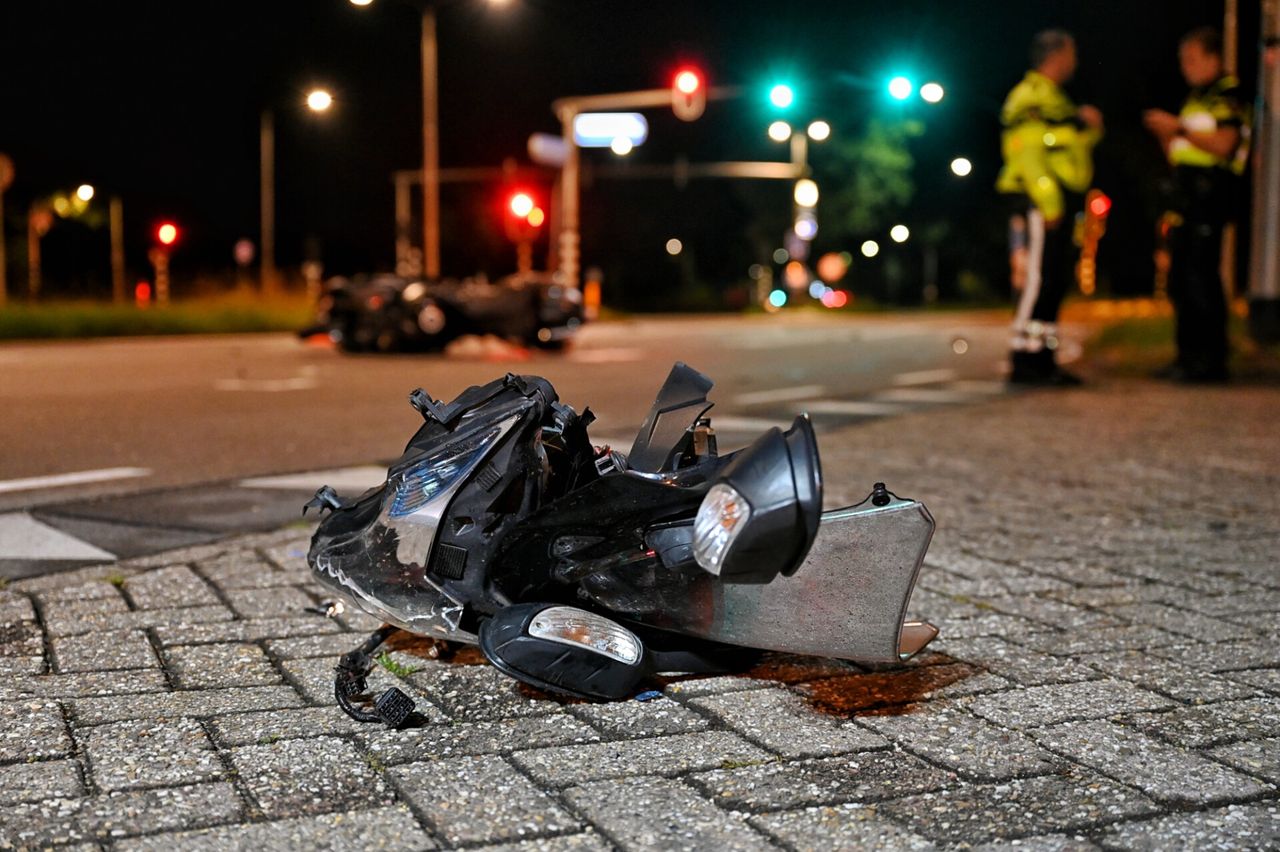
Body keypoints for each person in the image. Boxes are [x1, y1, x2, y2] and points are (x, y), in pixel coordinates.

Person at [997, 29, 1104, 385]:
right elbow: (1027, 153)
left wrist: (1089, 126)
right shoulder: (1030, 96)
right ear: (1056, 56)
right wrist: (1049, 202)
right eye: (1071, 54)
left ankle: (1042, 358)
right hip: (1042, 200)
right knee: (1038, 279)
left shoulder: (1057, 100)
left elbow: (1068, 144)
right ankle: (1023, 358)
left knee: (1054, 281)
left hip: (1058, 199)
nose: (1075, 62)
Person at [1143, 27, 1250, 383]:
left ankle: (1212, 360)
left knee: (1201, 276)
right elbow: (1180, 154)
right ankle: (1187, 357)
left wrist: (1179, 129)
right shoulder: (1196, 97)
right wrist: (1166, 137)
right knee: (1180, 278)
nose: (1185, 67)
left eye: (1191, 58)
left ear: (1213, 58)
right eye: (1181, 60)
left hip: (1213, 194)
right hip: (1186, 194)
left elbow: (1225, 144)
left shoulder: (1228, 93)